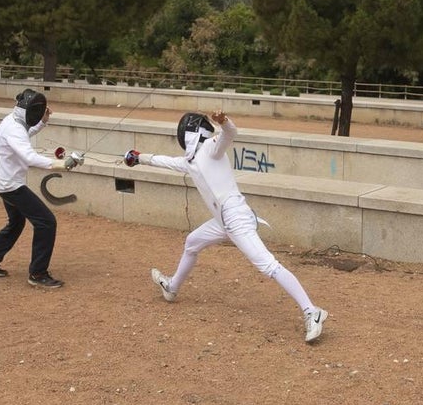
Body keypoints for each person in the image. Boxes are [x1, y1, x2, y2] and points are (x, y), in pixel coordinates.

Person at [124, 110, 328, 343]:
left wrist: (224, 122)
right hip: (223, 221)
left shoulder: (212, 148)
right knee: (192, 243)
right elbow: (164, 161)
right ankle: (171, 288)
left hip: (237, 218)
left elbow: (229, 134)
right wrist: (138, 157)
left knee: (269, 266)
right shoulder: (190, 161)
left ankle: (312, 311)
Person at [0, 89, 67, 288]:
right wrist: (59, 164)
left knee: (16, 223)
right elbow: (29, 157)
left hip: (5, 182)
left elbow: (25, 134)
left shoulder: (12, 120)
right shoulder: (14, 128)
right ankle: (38, 273)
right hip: (11, 186)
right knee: (46, 222)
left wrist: (42, 122)